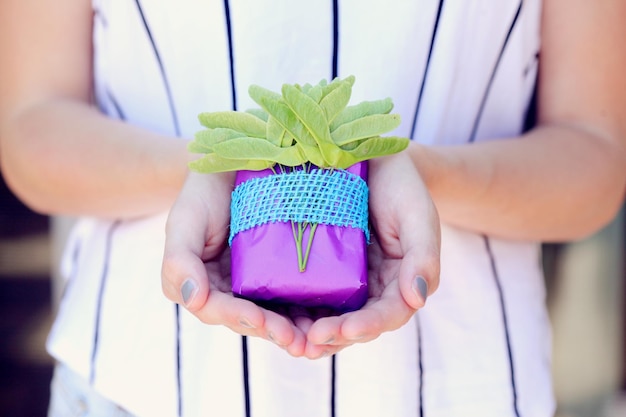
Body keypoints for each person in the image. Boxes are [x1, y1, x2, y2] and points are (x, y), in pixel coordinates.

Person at [0, 0, 624, 416]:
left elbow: (596, 159)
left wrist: (418, 173)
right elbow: (30, 131)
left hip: (467, 387)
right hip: (142, 382)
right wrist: (225, 166)